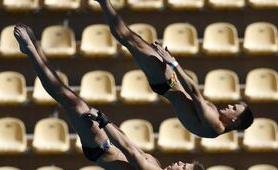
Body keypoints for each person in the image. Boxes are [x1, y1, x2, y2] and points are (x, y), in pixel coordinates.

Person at [13, 24, 205, 170]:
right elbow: (130, 145)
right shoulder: (158, 169)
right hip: (106, 142)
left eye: (184, 166)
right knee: (69, 97)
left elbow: (129, 150)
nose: (180, 163)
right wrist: (110, 127)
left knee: (69, 99)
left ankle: (31, 52)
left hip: (99, 149)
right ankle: (35, 50)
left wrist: (105, 122)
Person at [96, 0, 253, 138]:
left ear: (235, 120)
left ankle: (103, 2)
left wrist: (172, 63)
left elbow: (194, 92)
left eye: (234, 108)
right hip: (169, 81)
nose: (229, 105)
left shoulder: (215, 125)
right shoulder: (216, 117)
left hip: (165, 82)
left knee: (128, 38)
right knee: (131, 38)